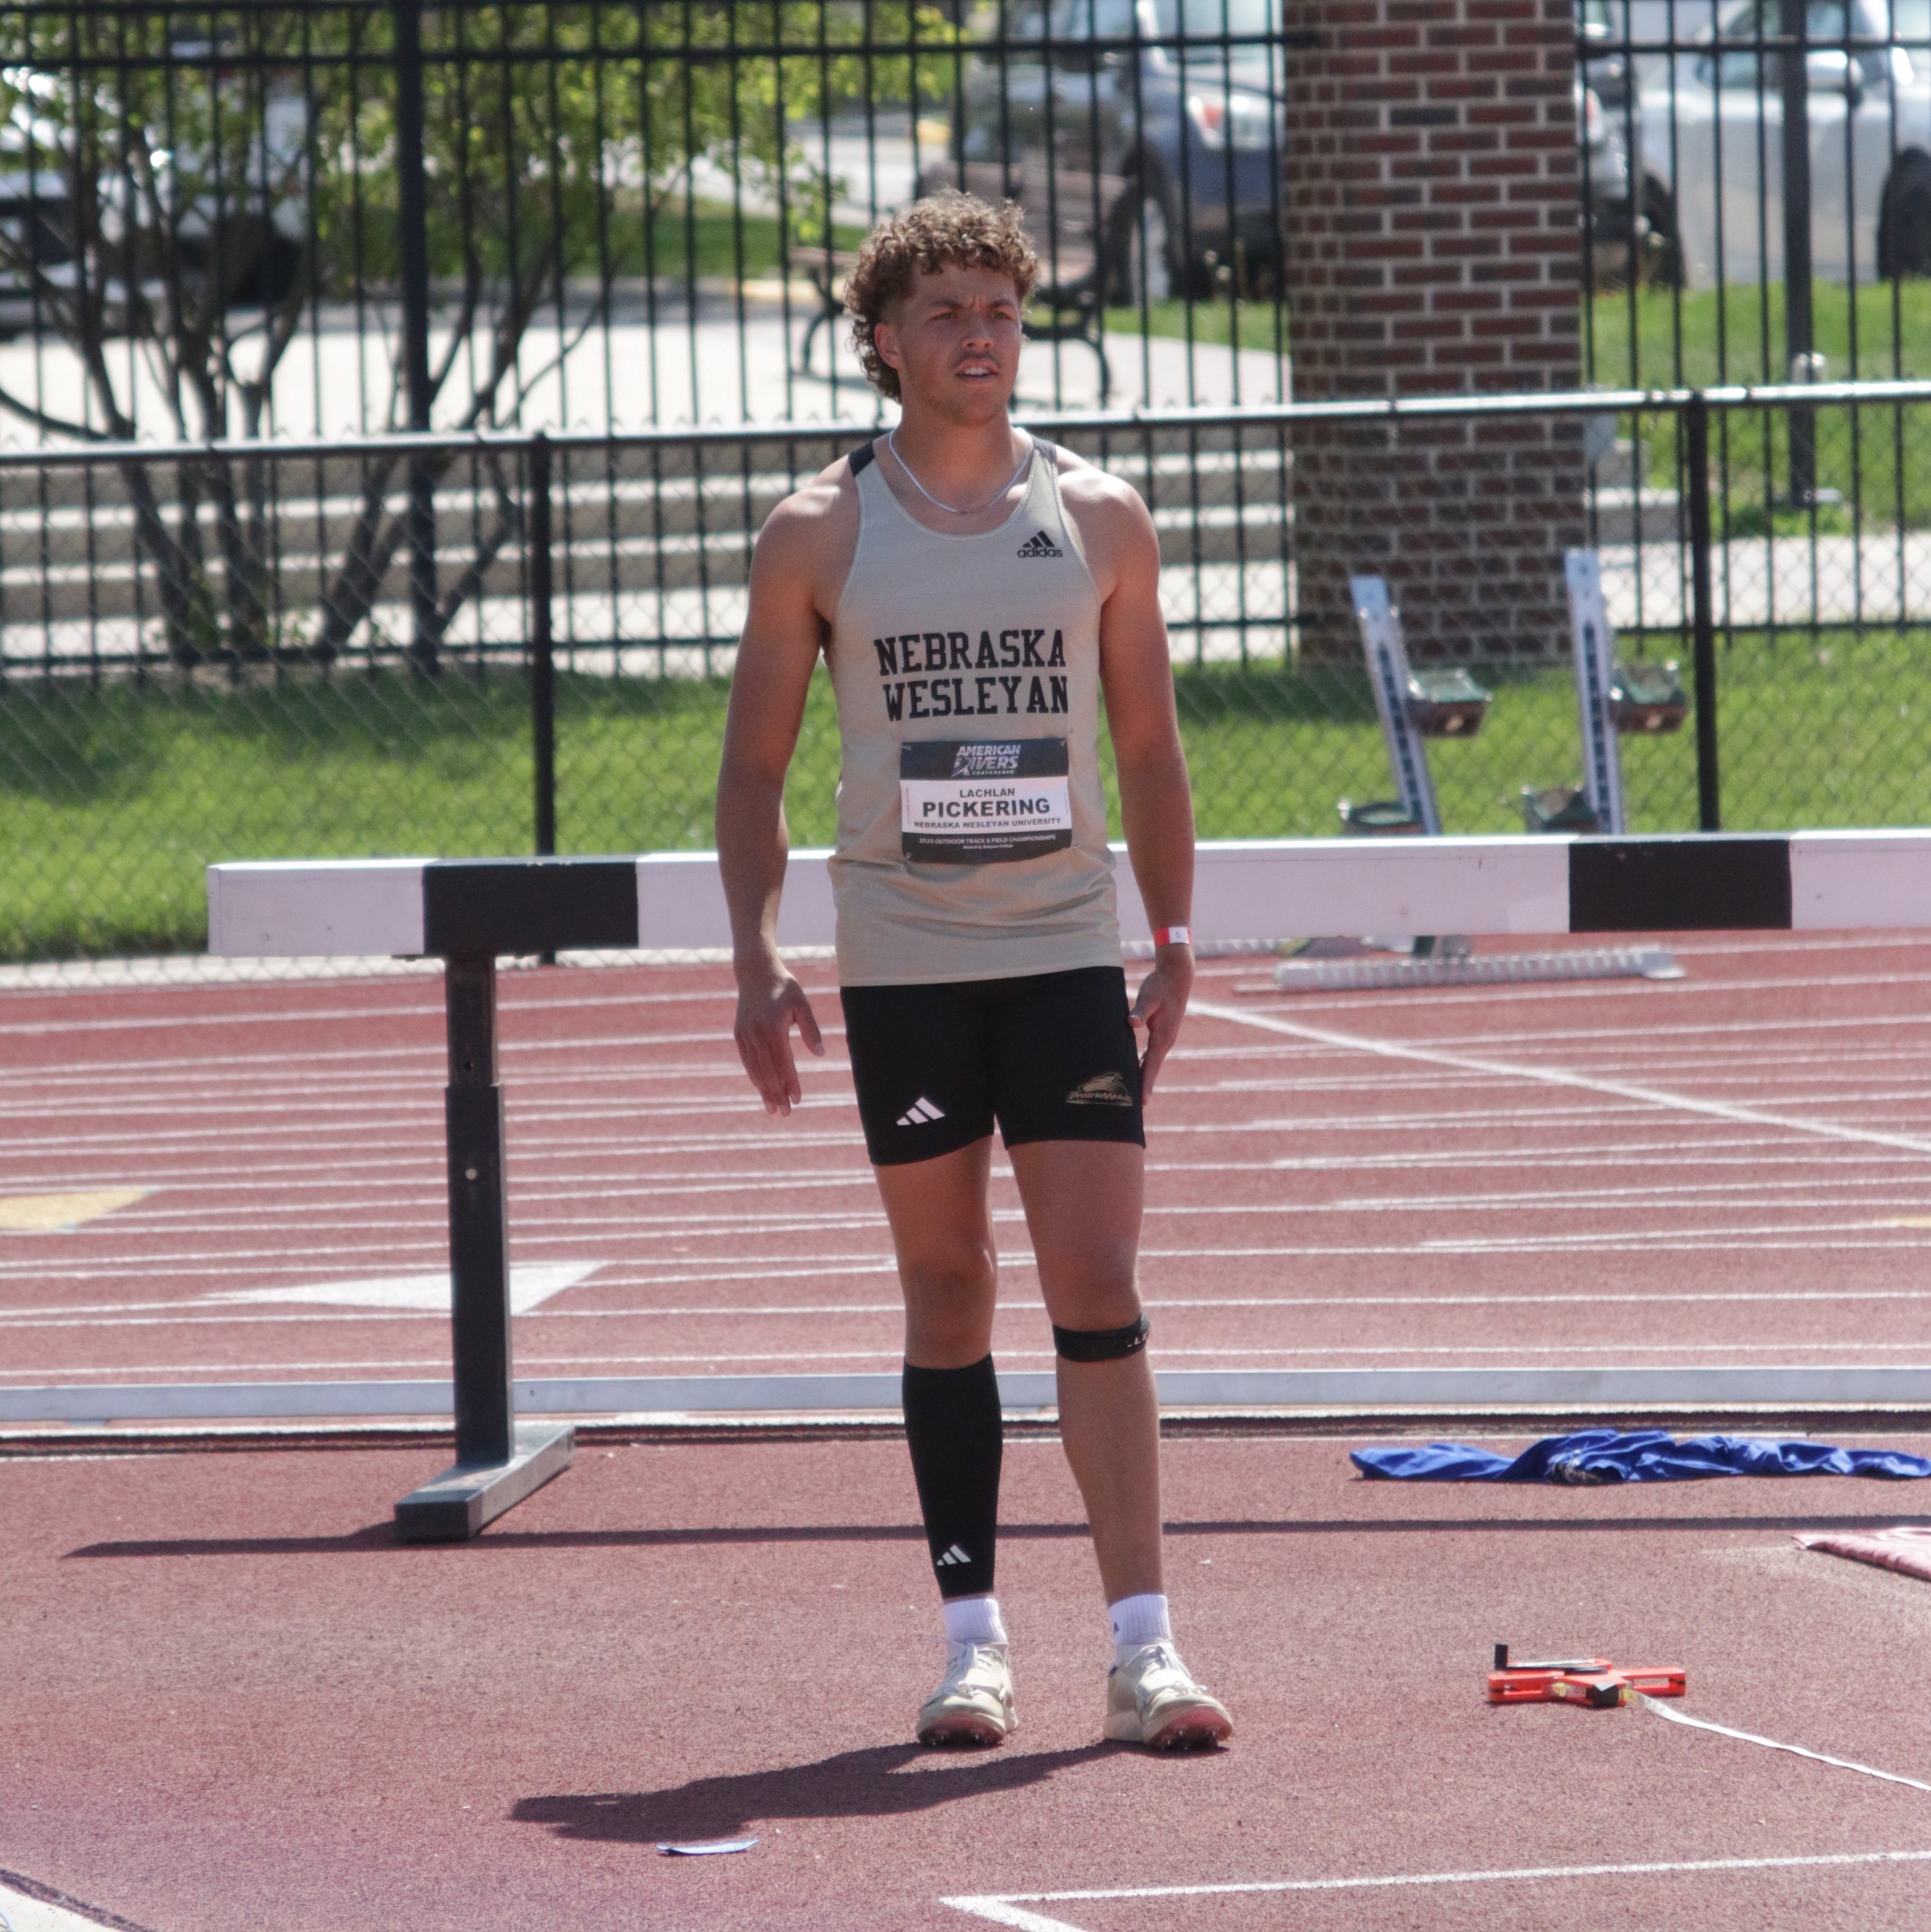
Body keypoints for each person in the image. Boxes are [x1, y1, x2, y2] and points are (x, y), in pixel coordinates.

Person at [715, 192, 1230, 1753]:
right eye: (946, 311)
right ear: (885, 342)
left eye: (1000, 308)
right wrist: (754, 952)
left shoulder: (1102, 516)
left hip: (1066, 946)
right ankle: (972, 1642)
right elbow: (754, 771)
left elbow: (1147, 741)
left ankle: (1144, 1648)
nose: (980, 334)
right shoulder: (820, 531)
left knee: (1099, 1287)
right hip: (908, 962)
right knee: (946, 1288)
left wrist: (1176, 925)